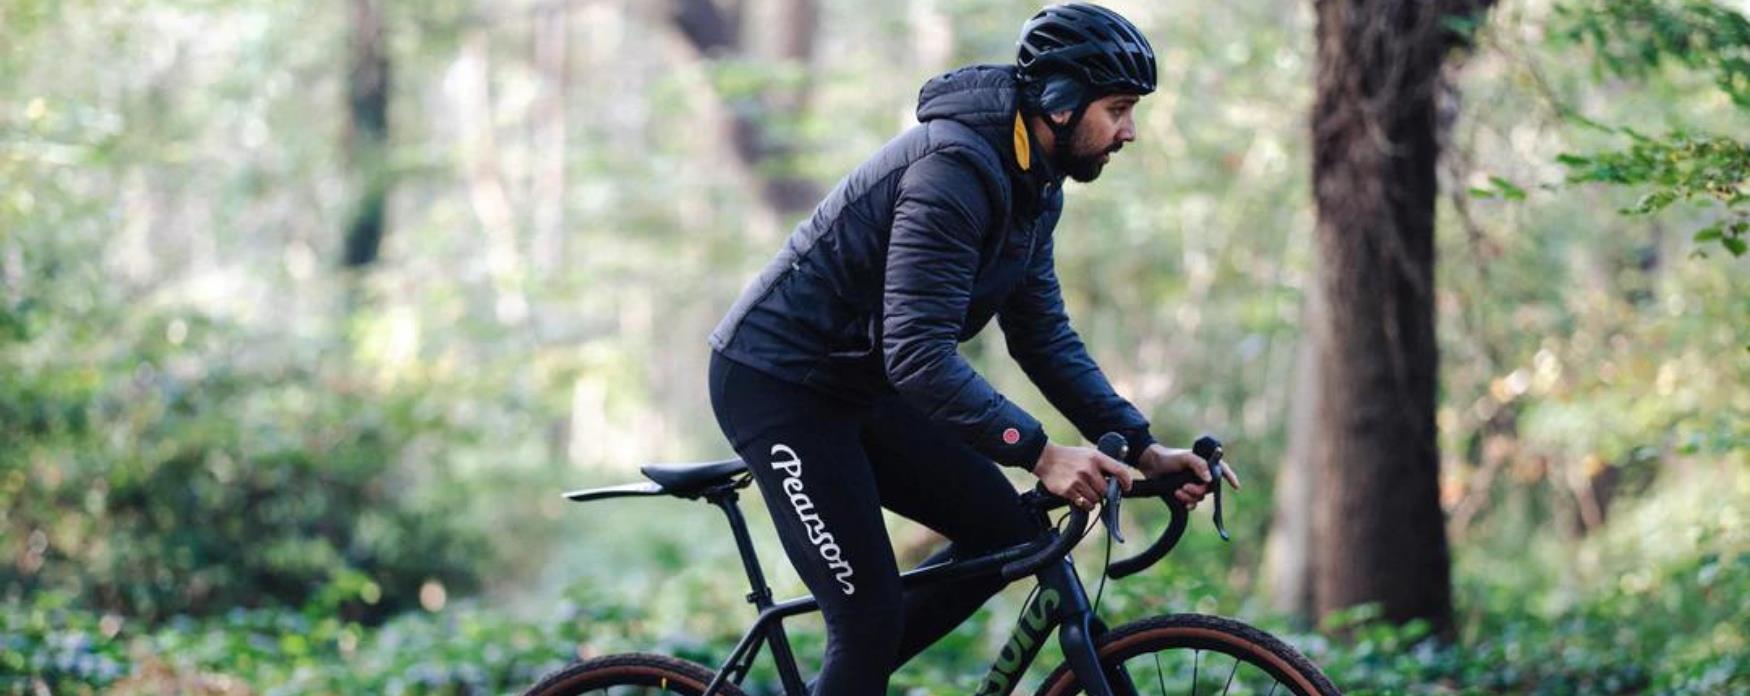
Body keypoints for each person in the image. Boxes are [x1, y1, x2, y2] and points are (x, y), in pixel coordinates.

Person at [706, 3, 1241, 692]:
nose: (1129, 131)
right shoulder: (953, 170)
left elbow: (1043, 337)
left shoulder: (1033, 186)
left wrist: (1140, 445)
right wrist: (1041, 454)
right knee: (866, 618)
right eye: (1118, 108)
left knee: (1007, 538)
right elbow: (919, 355)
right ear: (1059, 100)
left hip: (859, 387)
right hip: (777, 384)